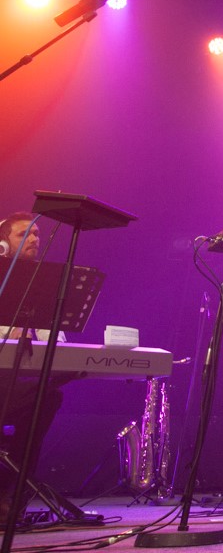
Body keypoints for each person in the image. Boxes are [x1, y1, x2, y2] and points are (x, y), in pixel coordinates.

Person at [0, 212, 62, 522]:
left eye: (37, 234)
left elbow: (58, 338)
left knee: (48, 397)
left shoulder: (44, 282)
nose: (35, 239)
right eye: (25, 234)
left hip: (19, 383)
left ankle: (14, 494)